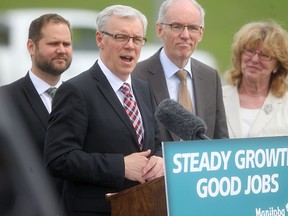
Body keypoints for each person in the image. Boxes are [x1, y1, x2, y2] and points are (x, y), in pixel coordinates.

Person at [44, 5, 164, 215]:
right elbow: (58, 158)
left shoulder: (143, 88)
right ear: (100, 39)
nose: (130, 46)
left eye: (137, 39)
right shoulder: (75, 91)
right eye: (121, 37)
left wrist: (160, 159)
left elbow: (156, 142)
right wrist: (120, 167)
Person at [0, 13, 72, 203]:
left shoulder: (81, 96)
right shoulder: (5, 100)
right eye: (53, 44)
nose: (61, 50)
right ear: (31, 47)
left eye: (66, 44)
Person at [133, 0, 228, 141]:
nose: (185, 35)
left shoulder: (210, 77)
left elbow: (220, 139)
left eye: (193, 28)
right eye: (176, 26)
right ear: (159, 30)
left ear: (201, 33)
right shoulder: (136, 76)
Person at [222, 21, 288, 138]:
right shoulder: (218, 98)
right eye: (250, 51)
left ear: (277, 65)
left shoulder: (285, 102)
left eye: (264, 55)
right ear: (240, 55)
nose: (255, 59)